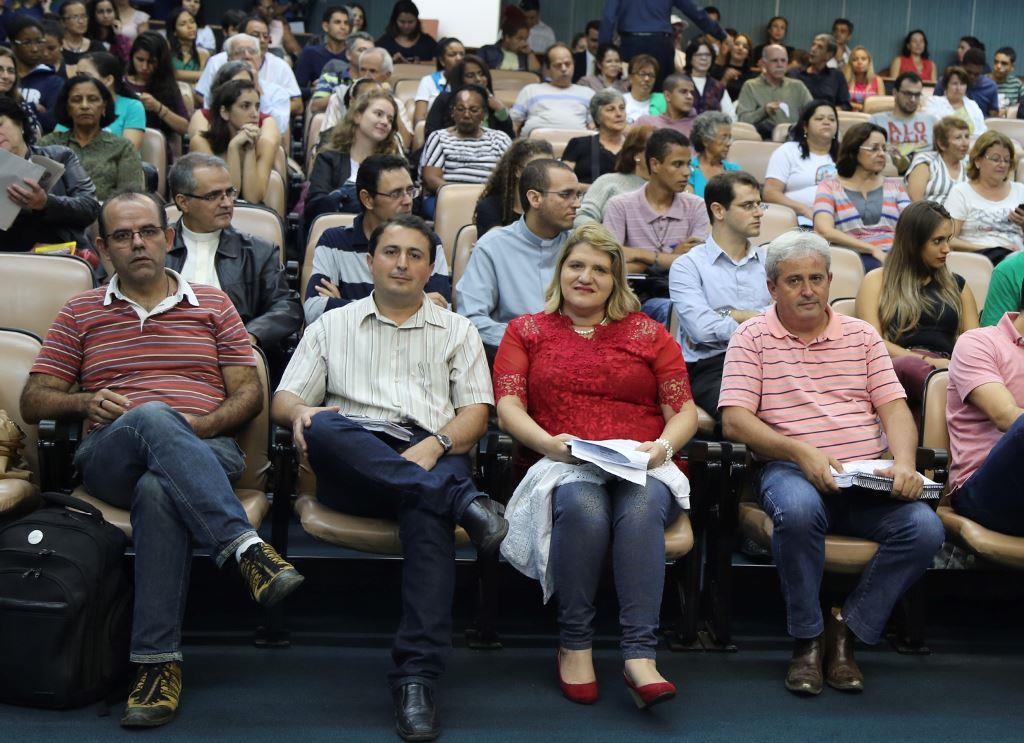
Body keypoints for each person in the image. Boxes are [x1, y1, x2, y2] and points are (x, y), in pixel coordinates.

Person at [20, 189, 304, 730]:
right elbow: (35, 401)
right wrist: (83, 401)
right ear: (102, 248)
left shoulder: (214, 305)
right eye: (123, 236)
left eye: (148, 232)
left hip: (205, 447)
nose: (138, 244)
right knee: (151, 417)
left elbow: (248, 395)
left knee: (159, 489)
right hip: (111, 454)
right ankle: (245, 548)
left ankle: (156, 666)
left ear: (169, 238)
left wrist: (197, 427)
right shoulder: (80, 310)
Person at [273, 212, 502, 743]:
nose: (402, 263)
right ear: (370, 261)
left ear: (431, 268)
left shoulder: (458, 329)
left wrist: (437, 443)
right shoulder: (331, 324)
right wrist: (299, 416)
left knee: (428, 513)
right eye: (392, 252)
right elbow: (286, 398)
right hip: (354, 460)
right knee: (324, 424)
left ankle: (417, 678)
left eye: (415, 255)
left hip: (431, 445)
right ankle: (464, 502)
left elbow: (474, 415)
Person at [719, 229, 943, 696]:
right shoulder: (752, 336)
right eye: (794, 280)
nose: (808, 290)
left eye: (816, 278)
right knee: (799, 512)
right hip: (789, 470)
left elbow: (895, 410)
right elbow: (736, 422)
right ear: (772, 288)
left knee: (925, 530)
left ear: (829, 280)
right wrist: (800, 450)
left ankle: (848, 629)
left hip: (865, 474)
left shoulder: (862, 336)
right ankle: (807, 638)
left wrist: (903, 463)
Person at [494, 223, 696, 708]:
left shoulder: (649, 333)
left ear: (616, 278)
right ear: (561, 271)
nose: (586, 276)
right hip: (563, 459)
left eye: (600, 269)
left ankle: (639, 656)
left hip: (640, 461)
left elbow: (684, 410)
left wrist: (661, 449)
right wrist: (548, 443)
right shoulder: (526, 330)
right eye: (577, 265)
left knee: (643, 505)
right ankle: (575, 643)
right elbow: (507, 405)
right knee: (583, 507)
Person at [167, 152, 300, 351]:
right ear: (183, 202)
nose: (227, 203)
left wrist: (251, 335)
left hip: (230, 355)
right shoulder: (156, 248)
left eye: (229, 192)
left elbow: (287, 307)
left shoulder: (258, 252)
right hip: (164, 351)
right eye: (213, 196)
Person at [855, 201, 978, 407]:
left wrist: (949, 366)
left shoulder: (958, 286)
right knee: (910, 366)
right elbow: (873, 342)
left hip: (948, 369)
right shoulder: (876, 280)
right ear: (913, 242)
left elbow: (974, 344)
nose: (946, 249)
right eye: (937, 241)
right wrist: (929, 362)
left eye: (948, 240)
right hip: (897, 367)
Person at [304, 154, 450, 324]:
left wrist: (344, 305)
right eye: (396, 194)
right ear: (367, 199)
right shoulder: (333, 242)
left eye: (410, 191)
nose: (408, 201)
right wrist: (409, 309)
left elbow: (441, 312)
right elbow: (315, 310)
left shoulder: (428, 242)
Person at [669, 171, 769, 417]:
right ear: (719, 210)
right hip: (713, 366)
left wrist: (733, 315)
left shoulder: (771, 261)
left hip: (771, 360)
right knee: (753, 414)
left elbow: (789, 318)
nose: (759, 212)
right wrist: (762, 324)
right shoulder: (687, 266)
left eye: (759, 204)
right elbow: (701, 329)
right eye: (748, 205)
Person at [458, 158, 580, 349]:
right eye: (566, 195)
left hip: (577, 354)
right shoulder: (493, 246)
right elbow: (471, 319)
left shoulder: (581, 245)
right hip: (514, 355)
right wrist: (528, 339)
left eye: (577, 195)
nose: (577, 204)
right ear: (535, 198)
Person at [603, 128, 709, 327]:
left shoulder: (696, 205)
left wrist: (638, 255)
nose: (686, 172)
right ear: (655, 164)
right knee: (672, 310)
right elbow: (610, 261)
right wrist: (669, 257)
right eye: (677, 164)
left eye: (688, 165)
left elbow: (696, 265)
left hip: (684, 294)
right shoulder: (620, 205)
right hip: (630, 296)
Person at [1, 96, 100, 256]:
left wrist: (46, 203)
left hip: (62, 255)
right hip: (7, 261)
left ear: (20, 125)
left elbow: (90, 208)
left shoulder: (60, 156)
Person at [813, 122, 910, 271]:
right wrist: (872, 249)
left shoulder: (895, 186)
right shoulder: (829, 187)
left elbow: (913, 225)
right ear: (853, 149)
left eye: (884, 149)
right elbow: (823, 230)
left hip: (896, 255)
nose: (882, 154)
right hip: (852, 257)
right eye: (874, 148)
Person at [39, 73, 144, 200]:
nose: (84, 106)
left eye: (92, 99)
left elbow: (130, 198)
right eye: (77, 100)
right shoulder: (48, 144)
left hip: (106, 217)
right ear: (68, 108)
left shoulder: (122, 147)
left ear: (104, 106)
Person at [306, 89, 402, 225]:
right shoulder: (328, 158)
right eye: (379, 114)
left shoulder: (393, 166)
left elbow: (404, 207)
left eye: (390, 119)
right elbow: (315, 205)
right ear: (357, 116)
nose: (385, 122)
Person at [420, 85, 511, 217]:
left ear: (484, 114)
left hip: (489, 200)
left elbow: (509, 177)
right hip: (448, 199)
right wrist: (463, 197)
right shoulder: (439, 137)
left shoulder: (500, 139)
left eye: (473, 110)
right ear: (453, 112)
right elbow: (431, 178)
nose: (466, 115)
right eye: (461, 109)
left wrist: (483, 197)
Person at [189, 78, 279, 208]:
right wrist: (233, 148)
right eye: (245, 106)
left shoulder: (264, 145)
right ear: (225, 112)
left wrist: (250, 148)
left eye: (257, 106)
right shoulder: (201, 143)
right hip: (211, 212)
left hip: (250, 215)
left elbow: (253, 198)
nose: (255, 114)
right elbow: (229, 196)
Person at [599, 0, 725, 91]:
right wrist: (722, 35)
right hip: (660, 45)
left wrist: (603, 52)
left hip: (631, 43)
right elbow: (695, 12)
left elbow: (608, 17)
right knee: (662, 95)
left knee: (629, 92)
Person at [195, 15, 300, 116]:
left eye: (265, 36)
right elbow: (202, 96)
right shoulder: (216, 61)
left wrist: (276, 108)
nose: (262, 40)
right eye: (255, 35)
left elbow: (297, 105)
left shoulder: (280, 68)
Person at [945, 131, 1024, 266]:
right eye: (995, 158)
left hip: (1017, 262)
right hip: (977, 261)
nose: (1002, 164)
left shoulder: (1020, 190)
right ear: (978, 161)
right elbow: (948, 239)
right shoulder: (961, 193)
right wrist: (992, 250)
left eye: (1006, 159)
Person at [764, 100, 838, 226]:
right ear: (805, 126)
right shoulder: (788, 151)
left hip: (841, 221)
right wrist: (804, 210)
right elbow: (770, 193)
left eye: (832, 119)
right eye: (819, 118)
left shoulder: (846, 154)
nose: (826, 122)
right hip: (799, 221)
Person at [574, 125, 652, 227]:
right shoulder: (607, 181)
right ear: (637, 154)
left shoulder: (670, 188)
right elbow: (582, 217)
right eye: (654, 149)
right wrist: (608, 236)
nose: (661, 154)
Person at [424, 55, 514, 143]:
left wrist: (501, 111)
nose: (478, 79)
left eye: (481, 74)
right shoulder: (444, 100)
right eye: (470, 75)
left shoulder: (492, 103)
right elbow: (431, 135)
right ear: (459, 79)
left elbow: (509, 140)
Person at [474, 138, 553, 236]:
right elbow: (498, 242)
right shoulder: (490, 206)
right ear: (518, 171)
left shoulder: (555, 205)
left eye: (550, 169)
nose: (546, 175)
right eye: (537, 168)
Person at [511, 43, 593, 137]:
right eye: (558, 65)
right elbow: (514, 123)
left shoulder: (587, 93)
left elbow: (595, 126)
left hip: (577, 148)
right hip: (534, 147)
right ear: (547, 69)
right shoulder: (530, 91)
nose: (564, 69)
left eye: (568, 64)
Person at [736, 44, 812, 141]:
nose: (780, 65)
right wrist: (764, 111)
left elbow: (813, 113)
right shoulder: (751, 86)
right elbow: (742, 120)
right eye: (775, 61)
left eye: (783, 61)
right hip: (762, 144)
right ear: (764, 64)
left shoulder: (798, 86)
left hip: (794, 142)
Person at [123, 32, 189, 140]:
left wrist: (158, 107)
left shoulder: (168, 86)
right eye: (140, 60)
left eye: (151, 62)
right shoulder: (122, 84)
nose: (144, 67)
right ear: (132, 57)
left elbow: (185, 128)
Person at [72, 50, 144, 148]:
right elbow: (55, 146)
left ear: (108, 80)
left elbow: (128, 152)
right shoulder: (73, 105)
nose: (77, 81)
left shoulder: (132, 107)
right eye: (77, 75)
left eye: (85, 76)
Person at [869, 71, 934, 171]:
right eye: (908, 94)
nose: (913, 99)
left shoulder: (932, 121)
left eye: (917, 95)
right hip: (888, 174)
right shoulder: (876, 120)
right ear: (895, 92)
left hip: (927, 174)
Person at [561, 88, 625, 184]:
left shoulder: (636, 147)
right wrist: (596, 191)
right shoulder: (579, 144)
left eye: (622, 108)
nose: (619, 114)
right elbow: (562, 183)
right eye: (610, 109)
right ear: (597, 117)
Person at [8, 15, 61, 129]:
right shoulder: (5, 77)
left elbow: (52, 119)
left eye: (39, 41)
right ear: (13, 45)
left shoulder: (54, 82)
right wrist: (32, 107)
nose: (35, 49)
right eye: (27, 42)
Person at [905, 116, 970, 203]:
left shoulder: (970, 163)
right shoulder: (926, 162)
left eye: (967, 136)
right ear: (942, 144)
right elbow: (915, 203)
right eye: (958, 138)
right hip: (930, 215)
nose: (965, 143)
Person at [308, 31, 374, 115]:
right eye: (361, 50)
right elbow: (315, 106)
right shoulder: (330, 78)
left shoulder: (376, 81)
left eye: (370, 51)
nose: (366, 55)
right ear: (348, 54)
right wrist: (343, 93)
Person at [787, 34, 850, 111]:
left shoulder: (837, 76)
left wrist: (833, 110)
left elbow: (845, 105)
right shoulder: (794, 74)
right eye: (813, 45)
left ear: (828, 55)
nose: (813, 49)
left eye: (820, 47)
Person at [685, 110, 739, 197]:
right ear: (705, 140)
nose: (729, 143)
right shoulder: (689, 170)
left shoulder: (733, 170)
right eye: (723, 137)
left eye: (729, 137)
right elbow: (688, 205)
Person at [412, 36, 464, 126]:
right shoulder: (428, 81)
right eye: (452, 54)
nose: (459, 58)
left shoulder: (470, 82)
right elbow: (419, 119)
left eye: (462, 54)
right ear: (442, 60)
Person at [934, 48, 999, 117]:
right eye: (969, 72)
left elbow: (993, 115)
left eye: (976, 74)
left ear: (982, 70)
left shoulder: (991, 86)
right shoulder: (945, 81)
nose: (972, 77)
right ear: (962, 66)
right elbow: (934, 105)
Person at [926, 66, 987, 136]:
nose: (958, 88)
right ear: (946, 86)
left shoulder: (973, 105)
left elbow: (982, 131)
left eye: (962, 84)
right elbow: (933, 130)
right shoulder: (934, 103)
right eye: (954, 83)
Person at [0, 43, 41, 138]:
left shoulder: (22, 107)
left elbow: (33, 143)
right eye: (0, 69)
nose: (6, 76)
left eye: (11, 71)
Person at [684, 37, 731, 117]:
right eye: (699, 54)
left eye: (708, 55)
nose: (704, 58)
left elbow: (730, 115)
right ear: (690, 58)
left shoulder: (718, 86)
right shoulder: (679, 81)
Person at [167, 7, 208, 86]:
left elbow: (201, 84)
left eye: (192, 22)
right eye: (183, 24)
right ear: (174, 31)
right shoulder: (166, 50)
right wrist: (203, 74)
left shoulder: (202, 54)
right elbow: (170, 74)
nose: (190, 26)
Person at [710, 31, 754, 102]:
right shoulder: (716, 70)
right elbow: (710, 97)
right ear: (730, 48)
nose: (740, 48)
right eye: (737, 44)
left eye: (745, 47)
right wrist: (724, 79)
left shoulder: (751, 77)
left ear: (748, 54)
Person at [59, 0, 104, 68]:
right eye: (75, 17)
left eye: (84, 16)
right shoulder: (56, 48)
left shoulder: (97, 47)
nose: (81, 21)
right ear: (63, 22)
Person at [621, 53, 664, 124]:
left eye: (651, 75)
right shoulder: (621, 101)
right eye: (642, 74)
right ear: (630, 77)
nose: (647, 79)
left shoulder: (662, 101)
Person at [843, 46, 883, 112]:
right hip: (849, 115)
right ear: (851, 64)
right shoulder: (845, 79)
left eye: (863, 59)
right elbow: (840, 102)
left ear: (869, 62)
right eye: (855, 59)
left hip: (871, 116)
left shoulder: (878, 80)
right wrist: (859, 106)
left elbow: (881, 104)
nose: (859, 62)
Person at [991, 47, 1022, 114]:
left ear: (1012, 67)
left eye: (1004, 63)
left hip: (1009, 122)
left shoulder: (1017, 84)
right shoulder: (983, 82)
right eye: (996, 62)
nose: (998, 66)